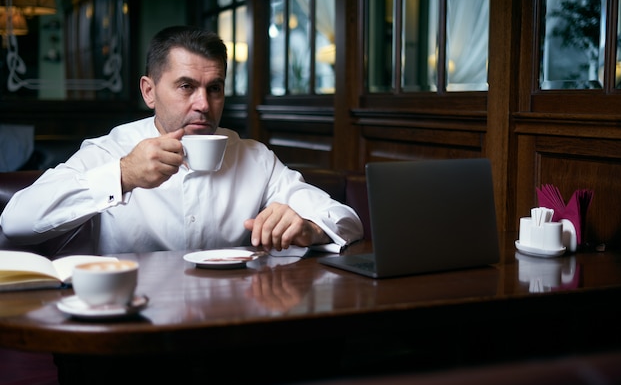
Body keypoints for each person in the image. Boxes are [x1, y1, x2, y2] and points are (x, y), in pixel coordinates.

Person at [0, 26, 363, 255]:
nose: (204, 105)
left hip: (229, 320)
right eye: (186, 86)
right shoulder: (111, 151)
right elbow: (15, 220)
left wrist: (307, 227)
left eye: (214, 88)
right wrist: (122, 175)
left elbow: (346, 220)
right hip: (129, 323)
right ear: (149, 91)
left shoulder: (254, 158)